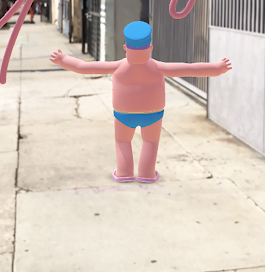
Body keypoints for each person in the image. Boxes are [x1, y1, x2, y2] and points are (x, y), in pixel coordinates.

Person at [50, 21, 232, 183]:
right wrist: (217, 68)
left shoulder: (118, 66)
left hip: (124, 114)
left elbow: (84, 67)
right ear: (150, 47)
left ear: (125, 47)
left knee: (123, 141)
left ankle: (124, 172)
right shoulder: (158, 67)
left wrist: (63, 60)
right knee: (150, 142)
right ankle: (146, 173)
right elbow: (189, 69)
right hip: (152, 113)